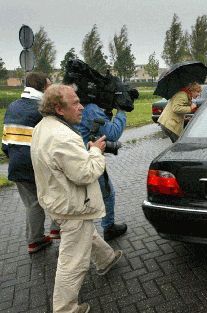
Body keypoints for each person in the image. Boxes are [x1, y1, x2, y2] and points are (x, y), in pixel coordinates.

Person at [31, 84, 123, 313]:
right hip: (72, 206)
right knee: (73, 261)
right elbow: (86, 173)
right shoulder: (63, 137)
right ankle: (65, 308)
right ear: (58, 108)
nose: (81, 107)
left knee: (86, 234)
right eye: (75, 103)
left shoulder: (43, 127)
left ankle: (106, 259)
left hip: (58, 200)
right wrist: (95, 151)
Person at [1, 72, 60, 254]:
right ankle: (57, 228)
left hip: (16, 164)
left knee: (32, 203)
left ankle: (35, 240)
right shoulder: (43, 109)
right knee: (57, 194)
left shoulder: (13, 107)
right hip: (38, 164)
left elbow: (5, 142)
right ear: (43, 87)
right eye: (50, 85)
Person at [75, 96, 128, 241]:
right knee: (107, 193)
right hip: (88, 159)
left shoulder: (64, 109)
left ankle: (60, 231)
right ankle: (108, 228)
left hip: (74, 159)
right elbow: (112, 133)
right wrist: (121, 111)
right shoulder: (90, 108)